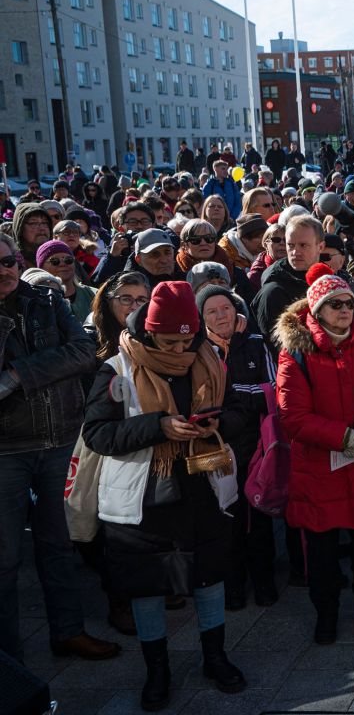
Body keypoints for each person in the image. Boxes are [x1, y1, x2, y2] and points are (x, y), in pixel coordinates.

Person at [81, 281, 247, 710]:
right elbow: (98, 434)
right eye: (168, 342)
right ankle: (157, 671)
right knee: (146, 586)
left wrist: (218, 426)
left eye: (186, 341)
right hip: (141, 497)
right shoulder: (117, 369)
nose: (178, 351)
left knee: (209, 575)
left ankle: (216, 657)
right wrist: (158, 427)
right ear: (148, 332)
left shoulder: (208, 357)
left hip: (202, 484)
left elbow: (237, 413)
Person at [0, 234, 120, 664]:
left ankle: (68, 632)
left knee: (58, 545)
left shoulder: (46, 301)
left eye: (9, 261)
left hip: (58, 440)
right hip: (7, 450)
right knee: (6, 558)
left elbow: (83, 351)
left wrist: (17, 376)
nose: (5, 271)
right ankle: (9, 661)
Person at [273, 264, 354, 645]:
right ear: (316, 309)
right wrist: (344, 437)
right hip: (321, 471)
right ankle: (325, 614)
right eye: (335, 304)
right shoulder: (296, 351)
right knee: (322, 557)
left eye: (349, 302)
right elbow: (293, 416)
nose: (345, 309)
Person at [196, 285, 278, 609]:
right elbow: (203, 403)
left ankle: (264, 580)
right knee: (223, 520)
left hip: (256, 446)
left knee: (258, 518)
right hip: (215, 448)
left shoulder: (255, 343)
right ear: (201, 318)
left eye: (226, 308)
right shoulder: (199, 350)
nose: (221, 316)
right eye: (212, 311)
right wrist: (247, 396)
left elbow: (272, 392)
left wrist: (235, 394)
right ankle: (232, 584)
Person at [253, 215, 323, 349]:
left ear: (320, 246)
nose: (295, 252)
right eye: (290, 245)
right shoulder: (273, 292)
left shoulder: (327, 280)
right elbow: (275, 349)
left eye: (303, 245)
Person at [35, 239, 96, 324]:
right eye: (55, 261)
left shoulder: (94, 294)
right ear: (41, 268)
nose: (63, 264)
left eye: (68, 260)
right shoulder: (37, 301)